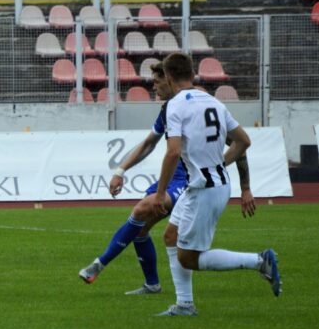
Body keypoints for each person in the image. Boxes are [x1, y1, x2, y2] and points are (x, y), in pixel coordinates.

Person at [78, 63, 256, 294]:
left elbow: (238, 144)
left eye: (157, 82)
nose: (154, 87)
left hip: (190, 182)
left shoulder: (198, 105)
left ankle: (98, 264)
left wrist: (245, 187)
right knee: (141, 230)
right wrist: (120, 171)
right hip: (175, 179)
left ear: (170, 79)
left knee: (143, 209)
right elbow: (149, 143)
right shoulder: (170, 108)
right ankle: (153, 284)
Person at [152, 53, 280, 316]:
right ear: (192, 74)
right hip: (207, 185)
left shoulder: (175, 106)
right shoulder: (213, 102)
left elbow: (173, 152)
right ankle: (184, 304)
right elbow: (243, 141)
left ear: (169, 77)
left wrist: (161, 192)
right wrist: (220, 164)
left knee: (188, 257)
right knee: (170, 236)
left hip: (204, 190)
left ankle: (259, 261)